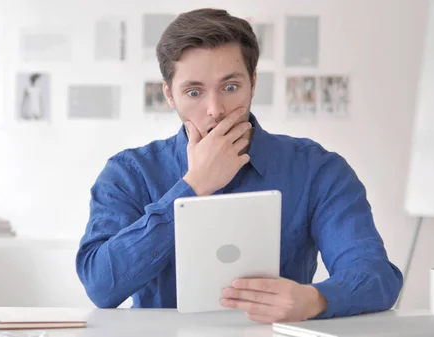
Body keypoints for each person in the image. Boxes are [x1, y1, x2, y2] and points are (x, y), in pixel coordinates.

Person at [76, 8, 403, 323]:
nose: (215, 110)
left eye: (230, 87)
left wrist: (314, 299)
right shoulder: (129, 173)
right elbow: (101, 287)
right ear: (170, 95)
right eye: (193, 92)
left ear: (253, 83)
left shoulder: (317, 170)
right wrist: (193, 187)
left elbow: (376, 276)